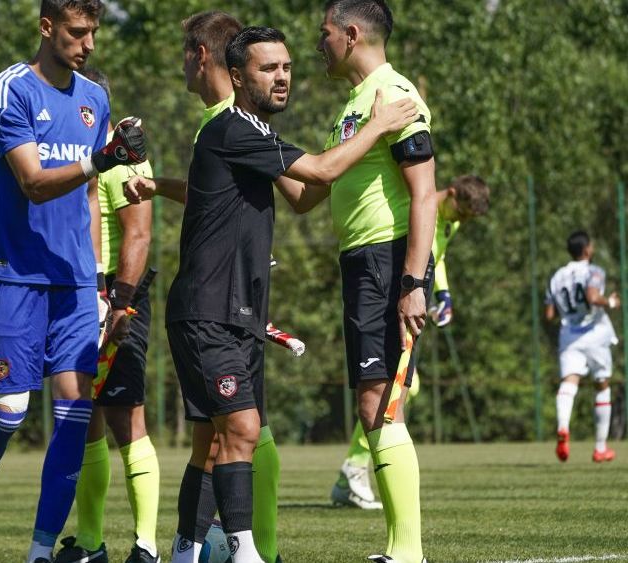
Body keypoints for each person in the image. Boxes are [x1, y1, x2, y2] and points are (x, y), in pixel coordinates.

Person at [131, 23, 415, 562]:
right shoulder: (234, 128)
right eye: (268, 68)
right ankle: (246, 552)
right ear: (237, 75)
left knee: (217, 442)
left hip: (234, 312)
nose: (282, 77)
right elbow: (325, 169)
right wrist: (376, 127)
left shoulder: (254, 134)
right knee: (241, 427)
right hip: (207, 310)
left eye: (286, 67)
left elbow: (306, 195)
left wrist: (349, 146)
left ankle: (186, 552)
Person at [0, 1, 147, 561]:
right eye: (77, 32)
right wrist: (100, 161)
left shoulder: (94, 97)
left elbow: (88, 198)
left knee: (75, 416)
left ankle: (39, 553)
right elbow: (34, 182)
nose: (87, 44)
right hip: (13, 277)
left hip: (76, 283)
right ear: (46, 27)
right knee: (8, 411)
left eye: (93, 33)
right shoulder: (9, 89)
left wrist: (100, 283)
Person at [292, 1, 438, 560]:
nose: (319, 43)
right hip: (362, 262)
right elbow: (310, 195)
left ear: (351, 34)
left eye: (324, 33)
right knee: (372, 400)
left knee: (380, 400)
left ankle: (407, 552)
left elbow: (424, 193)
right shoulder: (355, 104)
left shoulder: (395, 94)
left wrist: (412, 282)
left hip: (386, 260)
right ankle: (403, 551)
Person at [51, 67, 160, 563]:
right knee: (83, 420)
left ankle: (146, 545)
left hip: (117, 295)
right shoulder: (69, 156)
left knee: (126, 417)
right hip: (76, 297)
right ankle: (91, 543)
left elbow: (138, 234)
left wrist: (120, 302)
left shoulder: (126, 152)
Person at [330, 174, 490, 510]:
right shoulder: (424, 206)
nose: (461, 222)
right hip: (392, 294)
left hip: (416, 297)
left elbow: (438, 257)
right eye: (461, 213)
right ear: (452, 195)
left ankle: (353, 470)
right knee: (392, 386)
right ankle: (355, 468)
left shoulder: (450, 223)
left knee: (405, 387)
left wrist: (443, 294)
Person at [546, 231, 621, 463]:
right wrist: (609, 301)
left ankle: (562, 426)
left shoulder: (557, 276)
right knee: (602, 384)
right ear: (587, 249)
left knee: (569, 383)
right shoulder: (594, 271)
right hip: (595, 333)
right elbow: (592, 296)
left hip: (569, 336)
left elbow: (549, 314)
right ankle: (600, 448)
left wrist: (568, 310)